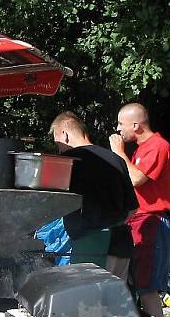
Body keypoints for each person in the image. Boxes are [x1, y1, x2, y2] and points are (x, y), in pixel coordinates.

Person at [109, 103, 170, 317]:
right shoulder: (142, 150)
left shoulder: (157, 147)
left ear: (136, 125)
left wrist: (118, 152)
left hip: (150, 223)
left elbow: (137, 178)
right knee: (136, 284)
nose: (118, 129)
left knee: (148, 288)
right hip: (138, 221)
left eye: (120, 124)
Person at [49, 111, 138, 278]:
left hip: (90, 245)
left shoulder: (67, 161)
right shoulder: (115, 159)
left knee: (87, 300)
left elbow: (53, 205)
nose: (58, 147)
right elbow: (133, 208)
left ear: (65, 135)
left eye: (57, 141)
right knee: (117, 300)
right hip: (121, 242)